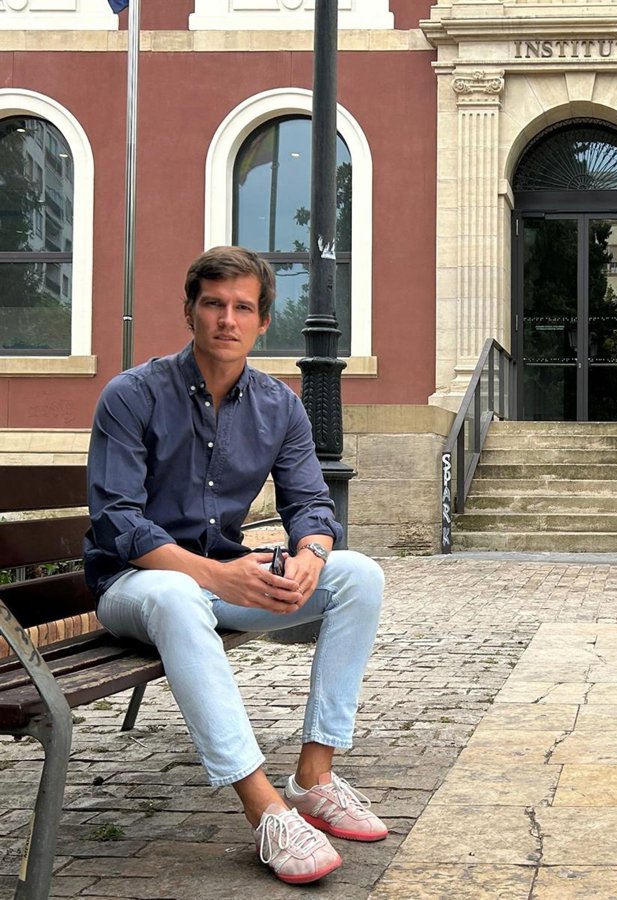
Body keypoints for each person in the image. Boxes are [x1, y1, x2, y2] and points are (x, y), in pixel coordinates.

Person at [84, 246, 386, 885]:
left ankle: (314, 777)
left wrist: (311, 556)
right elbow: (118, 520)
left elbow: (311, 504)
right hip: (133, 585)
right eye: (213, 304)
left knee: (359, 574)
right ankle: (265, 810)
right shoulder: (132, 395)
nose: (227, 319)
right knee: (175, 594)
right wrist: (218, 575)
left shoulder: (280, 406)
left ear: (262, 321)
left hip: (220, 582)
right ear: (189, 311)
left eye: (243, 308)